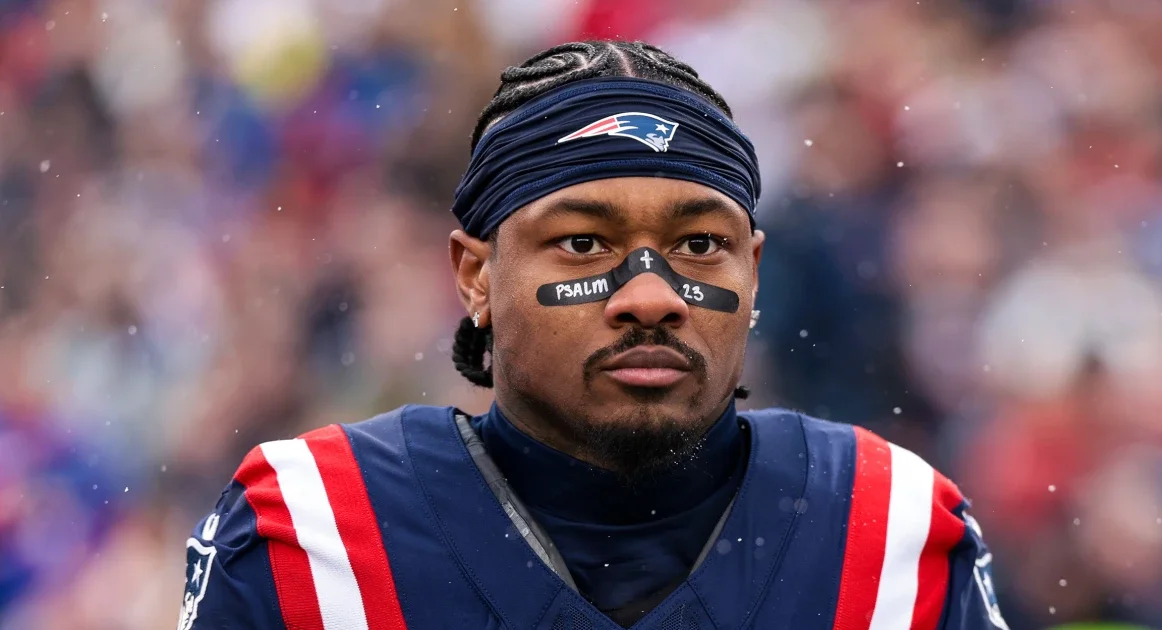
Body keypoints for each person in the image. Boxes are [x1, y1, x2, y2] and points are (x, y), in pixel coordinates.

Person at [178, 40, 1009, 630]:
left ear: (753, 271)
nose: (650, 296)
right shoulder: (313, 530)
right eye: (583, 243)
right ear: (475, 276)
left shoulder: (888, 530)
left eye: (699, 244)